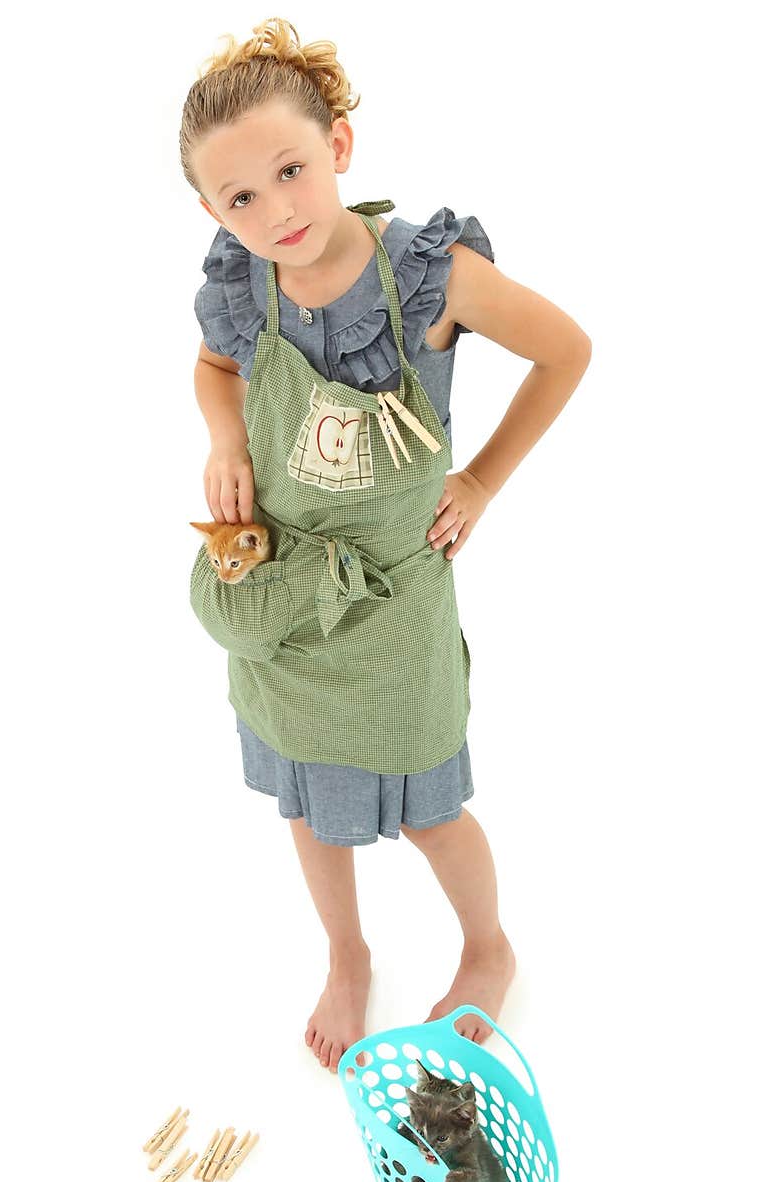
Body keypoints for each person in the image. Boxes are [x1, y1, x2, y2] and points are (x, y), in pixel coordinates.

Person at [181, 18, 591, 1072]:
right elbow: (216, 369)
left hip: (395, 597)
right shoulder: (243, 280)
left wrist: (482, 478)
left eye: (290, 172)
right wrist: (224, 432)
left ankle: (489, 948)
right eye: (240, 198)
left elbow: (565, 350)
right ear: (211, 211)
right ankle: (347, 951)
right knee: (307, 793)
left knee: (431, 806)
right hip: (282, 593)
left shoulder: (426, 277)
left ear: (340, 149)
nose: (274, 212)